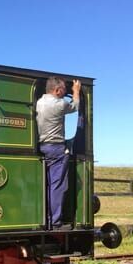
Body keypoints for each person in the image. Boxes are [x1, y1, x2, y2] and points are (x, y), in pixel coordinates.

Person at [36, 76, 81, 230]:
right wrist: (76, 91)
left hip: (42, 146)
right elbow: (75, 106)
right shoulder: (59, 104)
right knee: (57, 186)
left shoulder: (39, 102)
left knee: (47, 185)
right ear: (57, 90)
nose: (64, 93)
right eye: (63, 90)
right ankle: (55, 222)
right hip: (56, 148)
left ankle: (45, 219)